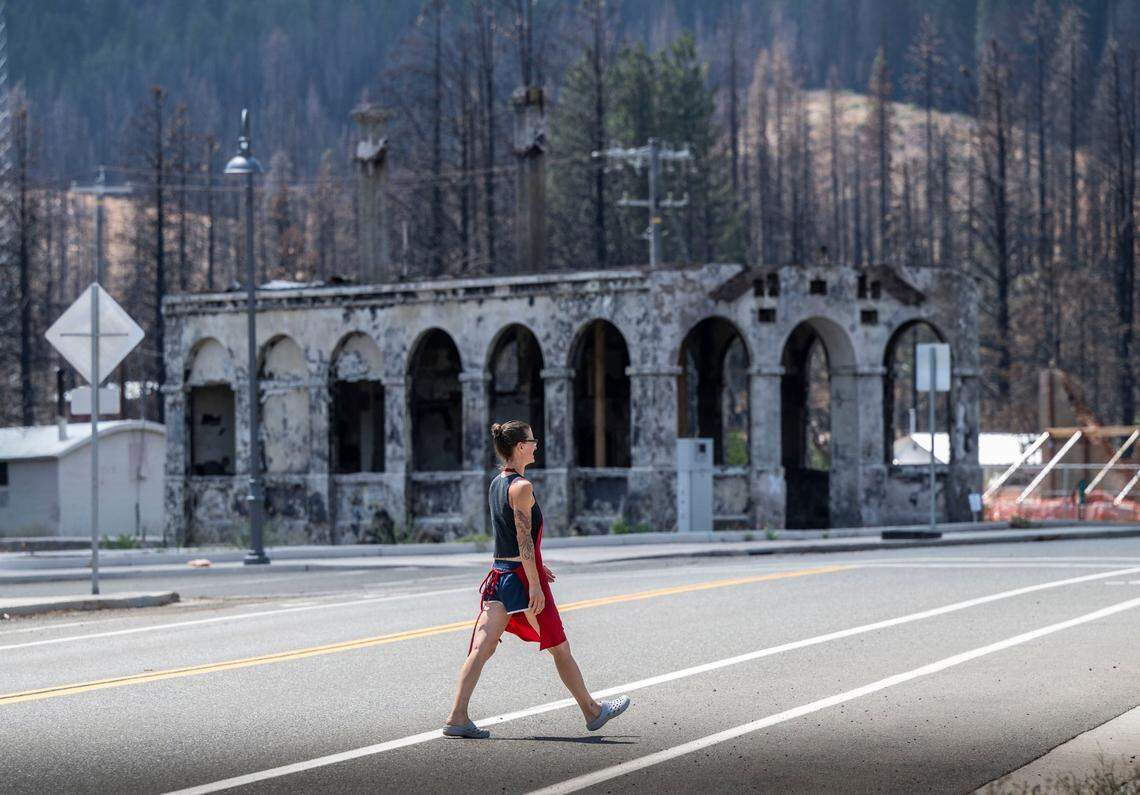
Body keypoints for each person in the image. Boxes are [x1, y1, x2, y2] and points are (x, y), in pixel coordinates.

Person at [443, 420, 631, 738]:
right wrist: (534, 582)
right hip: (518, 579)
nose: (535, 445)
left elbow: (508, 537)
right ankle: (593, 711)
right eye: (532, 440)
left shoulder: (497, 483)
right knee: (559, 646)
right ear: (520, 448)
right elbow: (523, 537)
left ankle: (457, 717)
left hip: (499, 575)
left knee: (482, 647)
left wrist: (536, 566)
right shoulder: (522, 487)